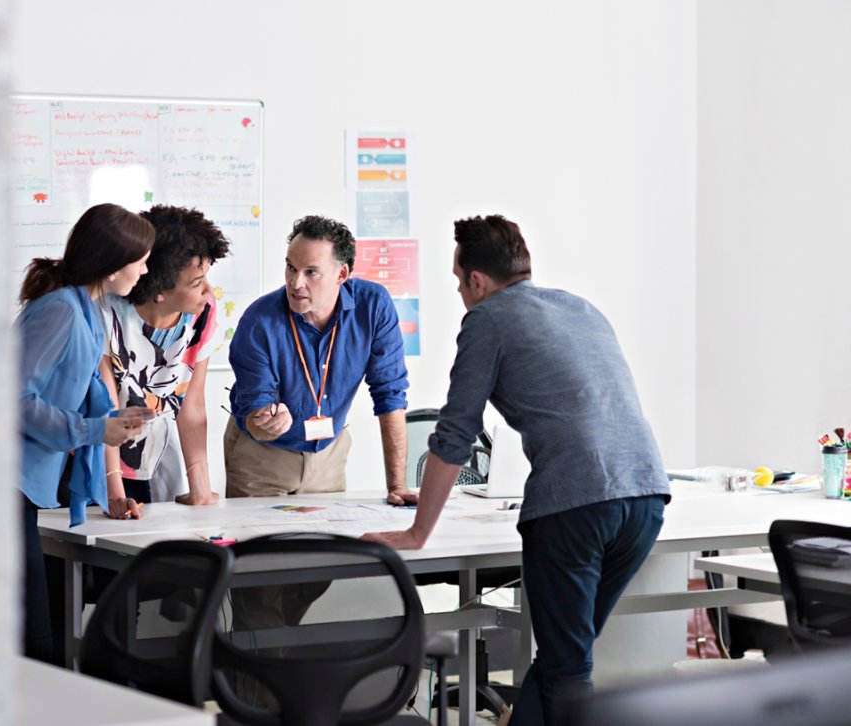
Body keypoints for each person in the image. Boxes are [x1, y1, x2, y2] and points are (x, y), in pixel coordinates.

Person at [362, 215, 671, 726]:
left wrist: (419, 532)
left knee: (568, 667)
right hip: (645, 499)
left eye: (459, 283)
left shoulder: (487, 319)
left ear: (477, 281)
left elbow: (455, 431)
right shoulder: (582, 308)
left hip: (575, 507)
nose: (461, 293)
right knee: (561, 657)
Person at [16, 202, 154, 663]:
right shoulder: (60, 311)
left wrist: (122, 419)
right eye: (141, 259)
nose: (146, 268)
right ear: (114, 264)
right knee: (35, 641)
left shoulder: (87, 309)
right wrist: (96, 429)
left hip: (22, 485)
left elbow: (88, 387)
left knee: (43, 634)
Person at [225, 214, 415, 504]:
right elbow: (254, 411)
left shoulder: (373, 306)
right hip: (263, 457)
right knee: (263, 548)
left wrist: (398, 485)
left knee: (327, 544)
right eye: (291, 268)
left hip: (329, 454)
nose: (295, 282)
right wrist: (265, 421)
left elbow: (390, 394)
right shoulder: (259, 321)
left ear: (341, 275)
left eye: (311, 272)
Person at [99, 204, 231, 515]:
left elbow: (192, 406)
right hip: (99, 457)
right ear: (159, 289)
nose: (208, 291)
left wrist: (199, 487)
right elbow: (102, 409)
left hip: (155, 455)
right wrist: (114, 493)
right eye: (197, 283)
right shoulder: (106, 313)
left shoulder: (204, 315)